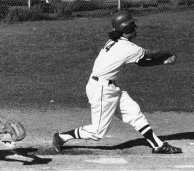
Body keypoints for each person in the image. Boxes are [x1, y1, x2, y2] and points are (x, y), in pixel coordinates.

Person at [52, 10, 182, 154]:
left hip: (108, 87)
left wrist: (162, 62)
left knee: (134, 112)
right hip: (101, 90)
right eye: (133, 26)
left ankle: (157, 145)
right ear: (126, 28)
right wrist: (168, 53)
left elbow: (140, 62)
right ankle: (61, 137)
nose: (135, 28)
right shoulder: (127, 47)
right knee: (97, 132)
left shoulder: (116, 41)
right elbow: (151, 54)